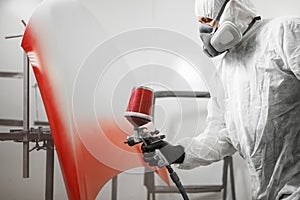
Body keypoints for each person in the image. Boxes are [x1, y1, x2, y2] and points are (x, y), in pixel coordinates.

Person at [142, 0, 300, 199]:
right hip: (265, 192)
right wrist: (178, 152)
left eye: (207, 20)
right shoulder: (225, 71)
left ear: (232, 10)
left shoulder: (285, 33)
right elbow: (220, 136)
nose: (204, 32)